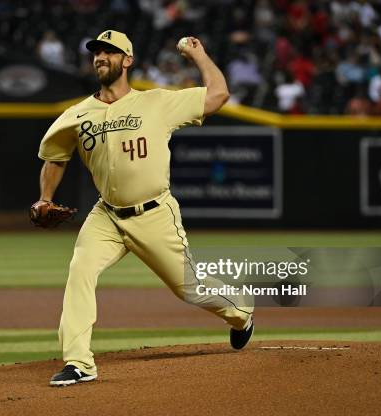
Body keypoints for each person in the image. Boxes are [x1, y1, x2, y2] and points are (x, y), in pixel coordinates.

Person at [34, 29, 254, 387]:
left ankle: (241, 312)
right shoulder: (77, 114)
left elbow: (218, 95)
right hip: (106, 215)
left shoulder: (156, 102)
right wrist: (44, 199)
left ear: (128, 60)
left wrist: (198, 55)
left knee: (190, 288)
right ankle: (79, 362)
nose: (101, 57)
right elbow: (54, 158)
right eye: (97, 53)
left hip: (154, 215)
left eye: (109, 52)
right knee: (80, 270)